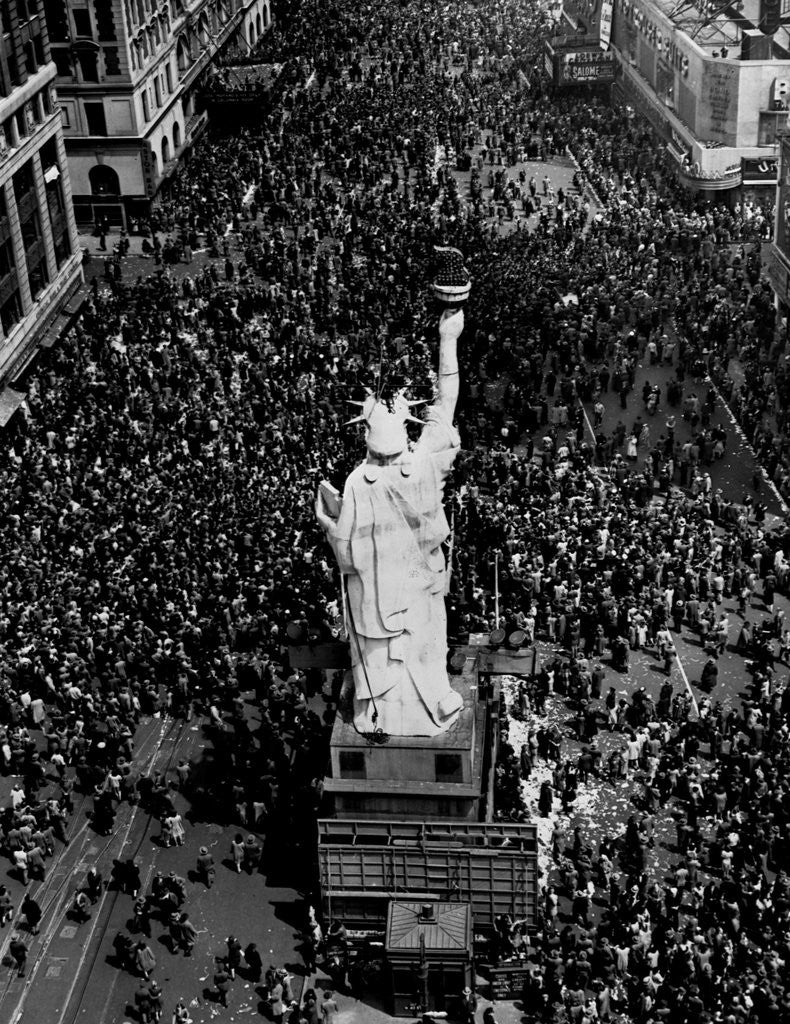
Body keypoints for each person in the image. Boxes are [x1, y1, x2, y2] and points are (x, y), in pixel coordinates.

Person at [316, 307, 467, 737]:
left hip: (377, 600)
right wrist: (447, 341)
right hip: (418, 587)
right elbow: (445, 404)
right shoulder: (421, 467)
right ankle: (425, 705)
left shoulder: (357, 482)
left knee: (389, 655)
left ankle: (379, 711)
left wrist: (328, 522)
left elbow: (346, 554)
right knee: (422, 648)